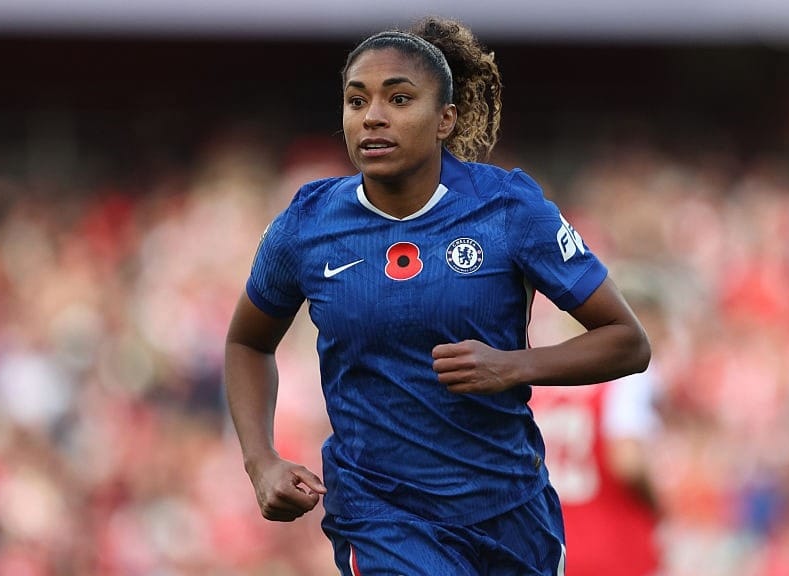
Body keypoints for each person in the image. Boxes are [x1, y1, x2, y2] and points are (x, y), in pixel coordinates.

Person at [224, 16, 651, 576]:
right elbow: (247, 342)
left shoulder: (509, 210)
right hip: (383, 516)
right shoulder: (307, 224)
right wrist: (261, 462)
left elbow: (627, 342)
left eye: (398, 99)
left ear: (445, 118)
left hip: (512, 510)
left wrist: (511, 367)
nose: (373, 116)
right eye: (356, 102)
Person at [529, 290, 668, 576]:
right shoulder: (627, 380)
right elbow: (628, 461)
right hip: (614, 547)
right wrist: (659, 502)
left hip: (551, 547)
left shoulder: (539, 387)